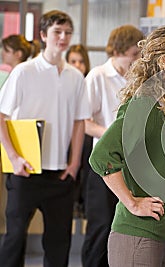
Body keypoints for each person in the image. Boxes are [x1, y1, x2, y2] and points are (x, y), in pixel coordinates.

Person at [89, 25, 165, 266]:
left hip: (157, 235)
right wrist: (132, 202)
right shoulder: (143, 106)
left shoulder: (163, 108)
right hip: (137, 237)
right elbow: (101, 155)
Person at [0, 10, 90, 267]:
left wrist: (74, 164)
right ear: (43, 35)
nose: (63, 38)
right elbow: (1, 116)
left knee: (59, 244)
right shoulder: (24, 72)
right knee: (14, 240)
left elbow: (79, 121)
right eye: (57, 32)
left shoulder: (75, 77)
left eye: (67, 33)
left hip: (60, 176)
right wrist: (14, 157)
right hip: (24, 172)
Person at [81, 25, 144, 267]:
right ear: (118, 50)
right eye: (133, 54)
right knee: (100, 225)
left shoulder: (136, 79)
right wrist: (114, 135)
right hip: (104, 164)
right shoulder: (97, 76)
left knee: (121, 228)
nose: (136, 60)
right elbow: (85, 123)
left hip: (130, 165)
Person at [66, 44, 92, 219]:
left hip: (87, 135)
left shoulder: (90, 83)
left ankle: (83, 202)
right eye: (73, 61)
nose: (77, 65)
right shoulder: (63, 84)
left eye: (81, 62)